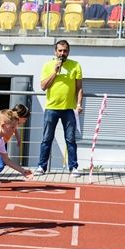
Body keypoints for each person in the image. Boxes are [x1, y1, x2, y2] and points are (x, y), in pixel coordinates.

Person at [35, 40, 83, 176]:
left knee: (70, 139)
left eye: (65, 51)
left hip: (69, 109)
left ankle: (73, 167)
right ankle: (41, 166)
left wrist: (79, 104)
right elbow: (43, 86)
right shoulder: (48, 65)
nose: (62, 53)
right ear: (55, 52)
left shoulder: (76, 66)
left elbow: (79, 88)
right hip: (51, 108)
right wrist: (55, 72)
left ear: (68, 52)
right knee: (47, 139)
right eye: (60, 50)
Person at [0, 104, 30, 193]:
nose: (25, 121)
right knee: (0, 165)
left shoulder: (13, 122)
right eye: (25, 119)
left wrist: (18, 139)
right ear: (19, 116)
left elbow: (15, 130)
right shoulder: (10, 121)